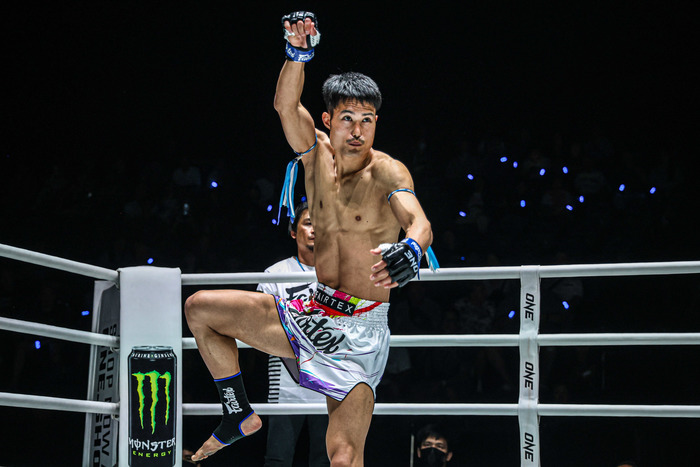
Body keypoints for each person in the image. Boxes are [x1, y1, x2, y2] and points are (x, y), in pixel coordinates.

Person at [186, 11, 434, 465]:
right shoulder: (314, 157)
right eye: (347, 118)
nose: (357, 130)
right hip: (311, 310)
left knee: (343, 457)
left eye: (367, 120)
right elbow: (285, 106)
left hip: (359, 330)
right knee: (200, 307)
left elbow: (417, 219)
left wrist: (414, 246)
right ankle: (237, 412)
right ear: (328, 119)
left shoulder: (388, 171)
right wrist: (297, 54)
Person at [256, 202, 330, 467]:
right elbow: (262, 328)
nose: (315, 229)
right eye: (308, 223)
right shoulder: (275, 274)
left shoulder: (342, 273)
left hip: (331, 381)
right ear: (294, 231)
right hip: (287, 384)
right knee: (278, 459)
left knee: (325, 460)